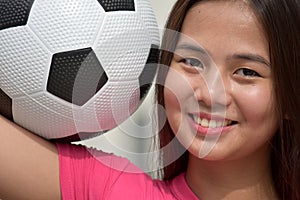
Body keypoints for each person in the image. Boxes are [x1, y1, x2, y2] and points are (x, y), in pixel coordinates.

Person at [0, 0, 299, 199]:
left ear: (289, 95)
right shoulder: (108, 189)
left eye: (246, 72)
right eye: (192, 62)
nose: (209, 94)